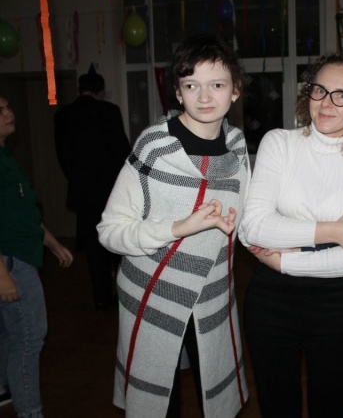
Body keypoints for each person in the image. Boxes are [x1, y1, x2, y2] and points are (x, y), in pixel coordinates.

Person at [97, 34, 249, 417]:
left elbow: (245, 220)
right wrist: (177, 228)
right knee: (159, 405)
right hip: (153, 294)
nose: (204, 96)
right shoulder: (154, 146)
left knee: (216, 400)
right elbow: (109, 231)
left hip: (213, 297)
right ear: (178, 93)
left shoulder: (237, 147)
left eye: (217, 85)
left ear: (235, 90)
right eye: (191, 85)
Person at [238, 51, 343, 417]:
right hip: (270, 302)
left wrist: (284, 261)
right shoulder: (279, 143)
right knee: (277, 408)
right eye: (319, 90)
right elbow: (253, 226)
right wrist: (336, 231)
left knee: (331, 409)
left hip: (334, 305)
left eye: (342, 95)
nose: (326, 102)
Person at [0, 93, 74, 417]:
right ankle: (30, 412)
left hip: (19, 257)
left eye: (8, 107)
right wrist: (2, 274)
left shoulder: (6, 157)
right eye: (0, 111)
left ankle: (5, 389)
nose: (9, 113)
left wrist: (53, 243)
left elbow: (22, 213)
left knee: (10, 334)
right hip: (11, 262)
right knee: (29, 337)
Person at [54, 64, 131, 310]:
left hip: (84, 194)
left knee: (94, 249)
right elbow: (123, 152)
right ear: (101, 90)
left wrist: (77, 179)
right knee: (118, 246)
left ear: (80, 89)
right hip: (112, 192)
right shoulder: (110, 111)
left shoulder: (63, 115)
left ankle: (101, 299)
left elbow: (63, 157)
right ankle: (124, 295)